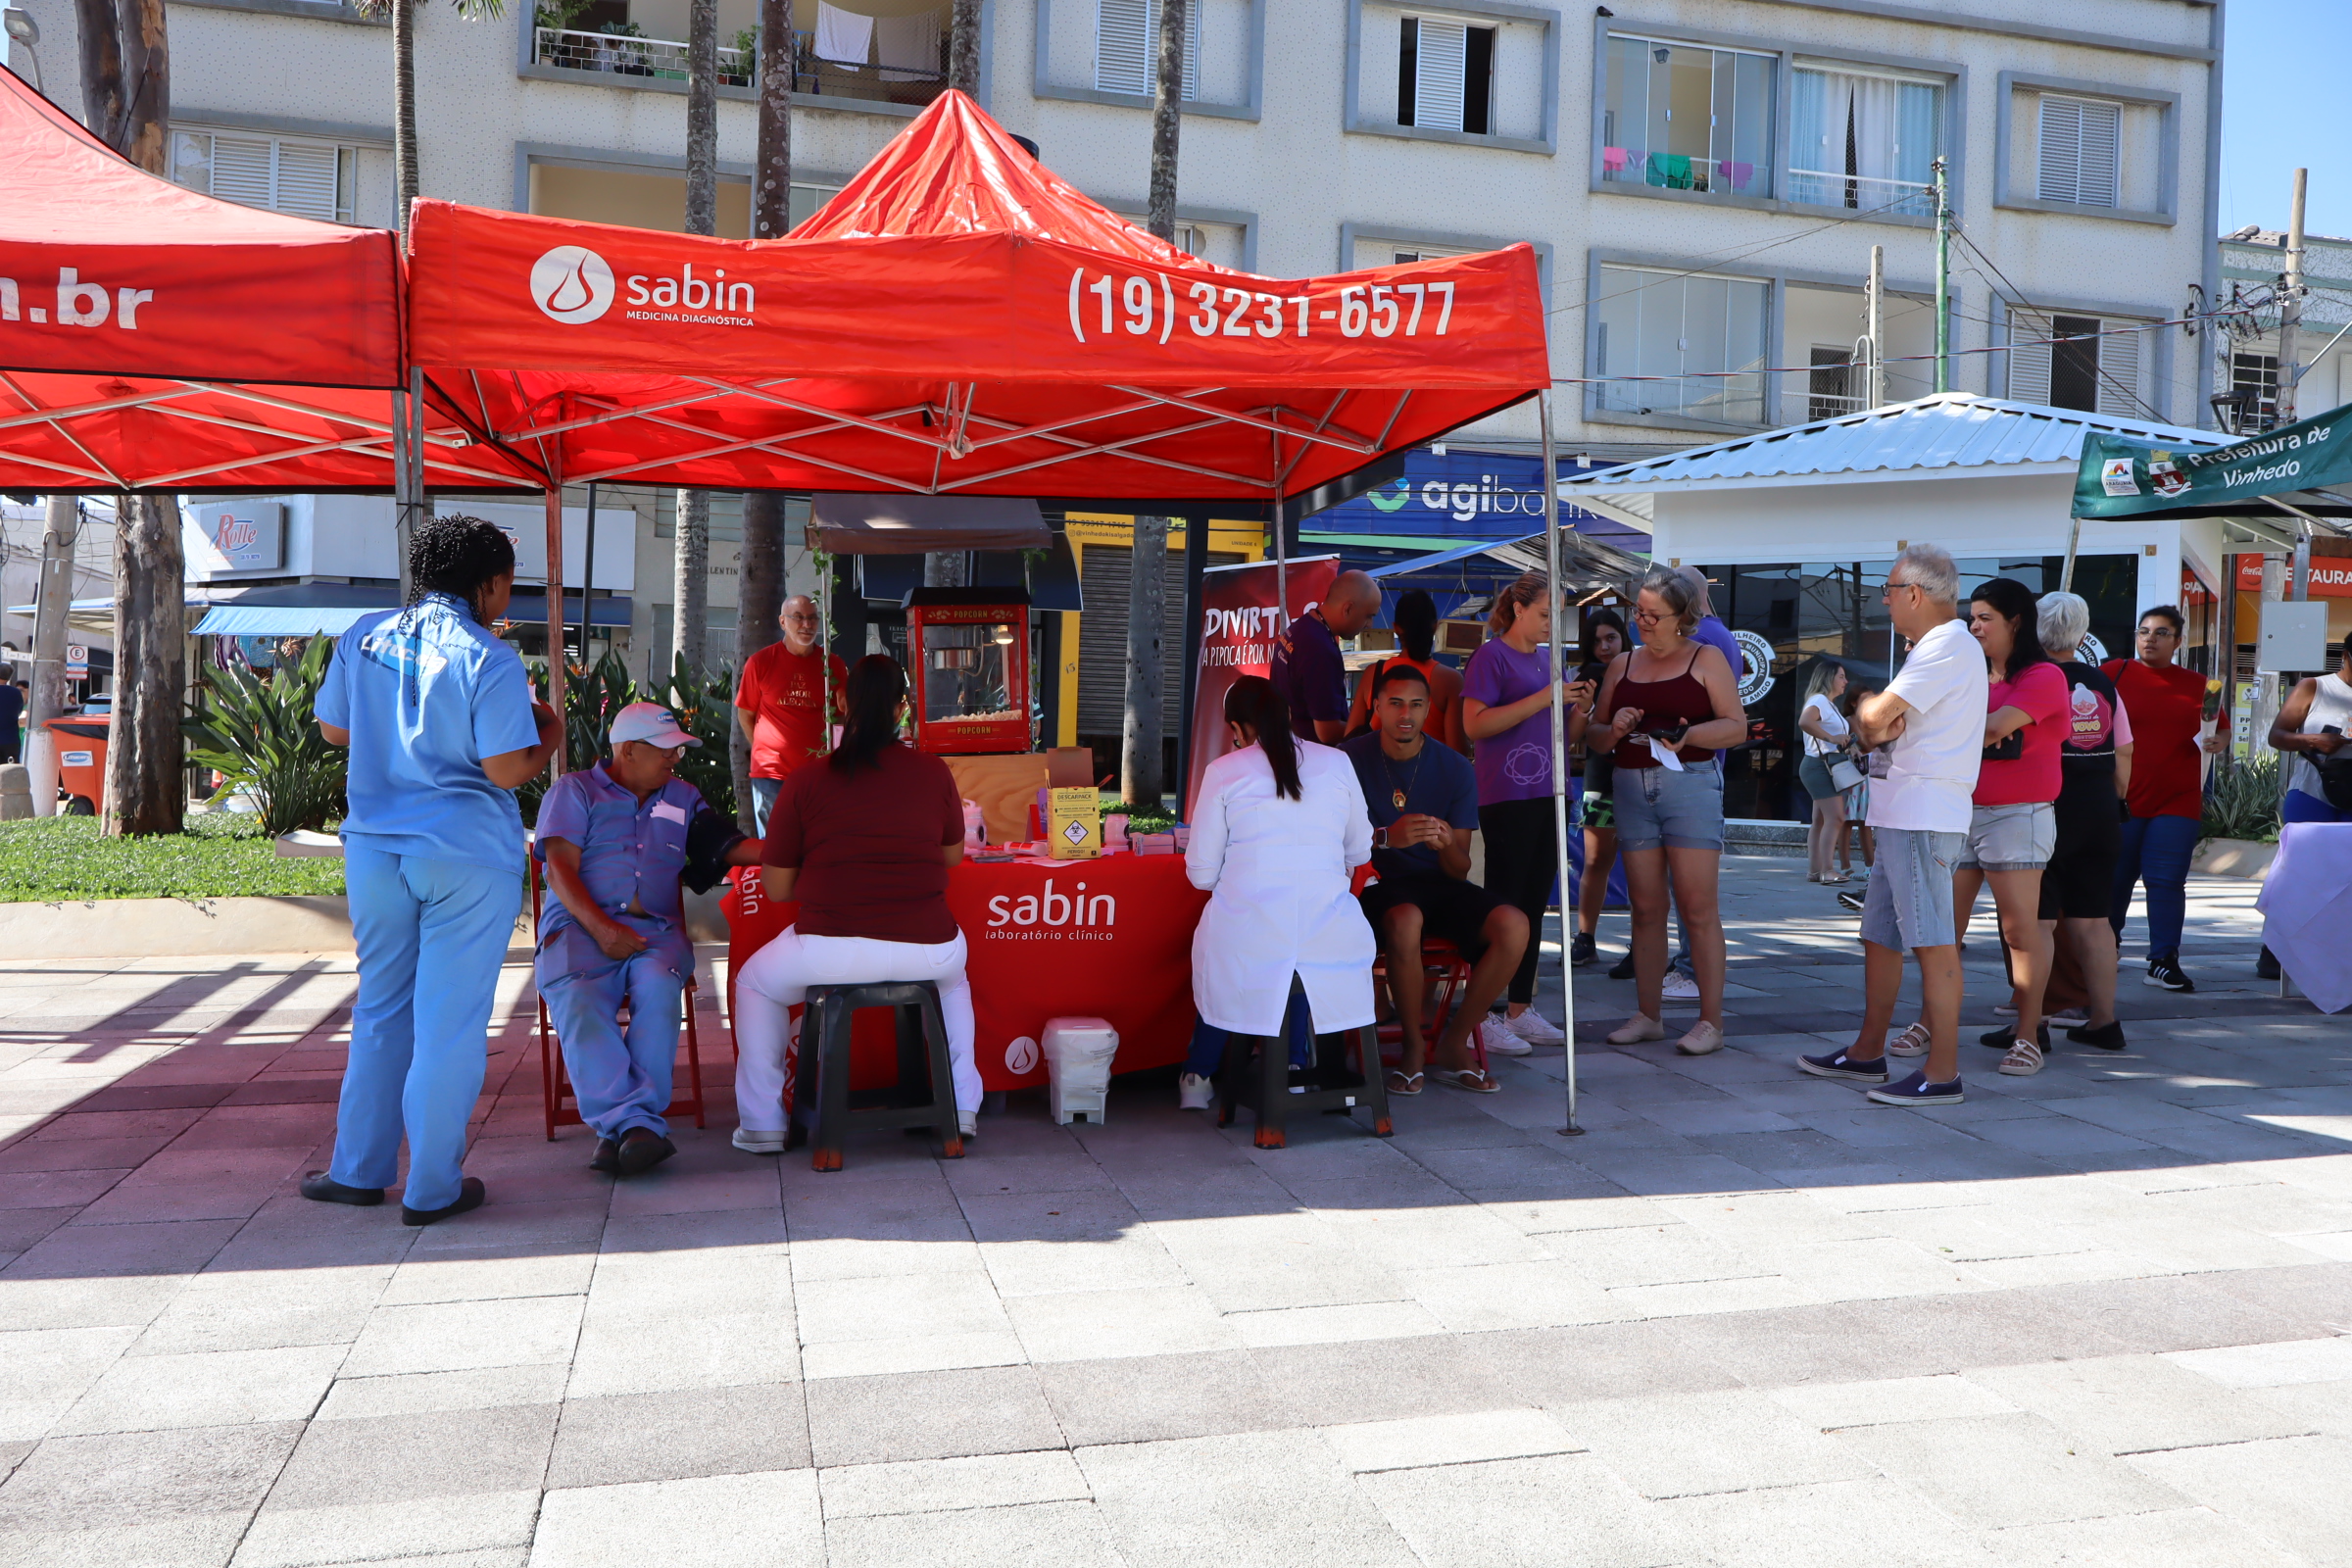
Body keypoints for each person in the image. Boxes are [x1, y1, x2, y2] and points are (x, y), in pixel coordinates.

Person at [302, 514, 561, 1225]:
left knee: (382, 1009)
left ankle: (357, 1171)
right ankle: (432, 1187)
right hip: (465, 856)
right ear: (488, 585)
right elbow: (506, 769)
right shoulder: (491, 658)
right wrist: (551, 737)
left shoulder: (364, 635)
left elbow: (334, 729)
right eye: (507, 582)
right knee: (447, 1025)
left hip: (376, 852)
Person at [732, 656, 981, 1149]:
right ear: (902, 708)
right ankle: (964, 1108)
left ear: (842, 702)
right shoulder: (933, 772)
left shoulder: (806, 779)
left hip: (830, 947)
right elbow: (953, 856)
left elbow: (778, 888)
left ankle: (762, 1124)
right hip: (928, 945)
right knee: (952, 984)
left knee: (754, 985)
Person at [534, 702, 764, 1176]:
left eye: (677, 751)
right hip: (580, 927)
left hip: (655, 934)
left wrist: (803, 843)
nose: (673, 759)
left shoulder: (682, 797)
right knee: (578, 998)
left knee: (659, 987)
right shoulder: (574, 792)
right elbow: (558, 869)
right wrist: (603, 928)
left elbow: (727, 845)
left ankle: (620, 1130)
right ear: (627, 750)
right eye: (664, 750)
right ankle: (637, 1125)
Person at [1797, 544, 1984, 1105]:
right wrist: (1877, 720)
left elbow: (1874, 720)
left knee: (1932, 943)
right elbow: (1878, 727)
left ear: (1916, 594)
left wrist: (1873, 711)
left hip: (1924, 813)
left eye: (1889, 589)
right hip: (1903, 810)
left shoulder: (1946, 645)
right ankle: (1865, 1053)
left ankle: (1943, 1072)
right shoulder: (1936, 646)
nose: (1884, 600)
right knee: (1879, 935)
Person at [1177, 675, 1377, 1109]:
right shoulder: (1337, 763)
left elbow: (1201, 875)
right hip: (1334, 934)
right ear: (1288, 715)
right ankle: (1293, 1067)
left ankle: (1198, 1074)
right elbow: (1360, 849)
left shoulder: (1223, 772)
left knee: (1247, 949)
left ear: (1235, 728)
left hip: (1250, 938)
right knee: (1302, 956)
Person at [1346, 663, 1529, 1095]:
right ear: (1376, 706)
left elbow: (1459, 869)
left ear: (1429, 708)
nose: (1405, 714)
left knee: (1515, 924)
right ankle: (1412, 1047)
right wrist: (1387, 837)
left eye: (1415, 704)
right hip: (1372, 886)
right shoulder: (1348, 760)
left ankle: (1451, 1040)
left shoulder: (1454, 768)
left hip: (1439, 887)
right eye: (1394, 703)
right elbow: (1329, 844)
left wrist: (1446, 843)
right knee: (1406, 918)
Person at [1588, 566, 1746, 1055]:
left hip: (1690, 784)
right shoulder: (1623, 665)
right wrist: (1614, 728)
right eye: (1639, 611)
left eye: (1654, 615)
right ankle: (1649, 1014)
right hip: (1630, 786)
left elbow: (1736, 728)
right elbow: (1593, 737)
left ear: (1683, 617)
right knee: (1646, 908)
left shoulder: (1706, 657)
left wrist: (1690, 735)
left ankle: (1710, 1021)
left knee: (1697, 908)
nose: (1643, 622)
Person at [1936, 577, 2067, 1075]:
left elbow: (1993, 729)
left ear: (2015, 621)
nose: (1973, 627)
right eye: (1971, 618)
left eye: (1984, 618)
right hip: (1959, 809)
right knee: (1943, 927)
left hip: (2019, 812)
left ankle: (2028, 1033)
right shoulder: (1972, 674)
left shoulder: (2043, 676)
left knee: (2020, 930)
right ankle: (1932, 1021)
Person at [1460, 571, 1576, 1047]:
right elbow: (1475, 724)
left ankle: (1519, 1006)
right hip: (1506, 794)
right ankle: (1480, 1013)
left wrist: (1578, 705)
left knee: (1533, 904)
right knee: (1503, 903)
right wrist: (1544, 698)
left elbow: (1564, 730)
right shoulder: (1492, 656)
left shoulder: (1551, 662)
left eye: (1557, 615)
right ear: (1520, 608)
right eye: (1546, 614)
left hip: (1550, 792)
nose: (1552, 623)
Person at [2105, 606, 2225, 992]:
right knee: (2115, 880)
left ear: (2177, 641)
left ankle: (2163, 959)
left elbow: (2219, 733)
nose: (2149, 638)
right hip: (2122, 798)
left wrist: (2217, 741)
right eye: (2143, 631)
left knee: (2167, 881)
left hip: (2178, 798)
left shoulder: (2202, 686)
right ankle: (2105, 947)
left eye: (2160, 632)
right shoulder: (2113, 674)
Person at [2031, 592, 2131, 1053]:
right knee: (2095, 920)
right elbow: (2124, 749)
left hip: (2048, 805)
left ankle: (2032, 1026)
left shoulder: (2033, 678)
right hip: (2099, 807)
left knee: (2038, 921)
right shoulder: (2104, 682)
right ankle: (2104, 1022)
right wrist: (2115, 798)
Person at [735, 594, 849, 835]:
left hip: (818, 775)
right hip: (771, 775)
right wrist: (762, 751)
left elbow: (841, 717)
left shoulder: (833, 665)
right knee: (775, 848)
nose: (806, 625)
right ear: (783, 622)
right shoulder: (760, 662)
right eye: (798, 618)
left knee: (817, 845)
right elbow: (745, 714)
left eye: (812, 618)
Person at [1572, 607, 1629, 967]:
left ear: (1624, 636)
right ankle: (1585, 937)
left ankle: (1643, 944)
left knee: (1644, 865)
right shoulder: (1585, 678)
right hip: (1600, 776)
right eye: (1596, 641)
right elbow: (1576, 737)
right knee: (1595, 861)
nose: (1604, 647)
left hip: (1642, 776)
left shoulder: (1644, 669)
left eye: (1610, 637)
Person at [1346, 589, 1466, 753]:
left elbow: (1350, 738)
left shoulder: (1374, 673)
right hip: (1428, 775)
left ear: (1396, 628)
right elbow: (1457, 752)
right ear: (1435, 627)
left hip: (1378, 775)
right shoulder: (1450, 680)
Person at [1272, 570, 1383, 744]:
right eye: (1368, 616)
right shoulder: (1319, 650)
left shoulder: (1302, 627)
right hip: (1312, 759)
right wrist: (1375, 733)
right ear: (1348, 609)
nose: (1370, 625)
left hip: (1294, 749)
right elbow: (1327, 732)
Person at [2269, 638, 2352, 825]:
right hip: (2312, 793)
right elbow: (2276, 736)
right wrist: (2313, 740)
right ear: (2346, 656)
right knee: (2308, 853)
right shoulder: (2314, 687)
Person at [1797, 661, 1855, 884]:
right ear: (1828, 678)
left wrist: (1852, 747)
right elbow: (1804, 722)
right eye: (1841, 676)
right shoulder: (1820, 700)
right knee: (1836, 818)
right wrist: (1831, 738)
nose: (1845, 681)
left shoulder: (1828, 704)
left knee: (1820, 820)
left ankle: (1815, 870)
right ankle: (1828, 870)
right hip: (1819, 766)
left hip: (1820, 765)